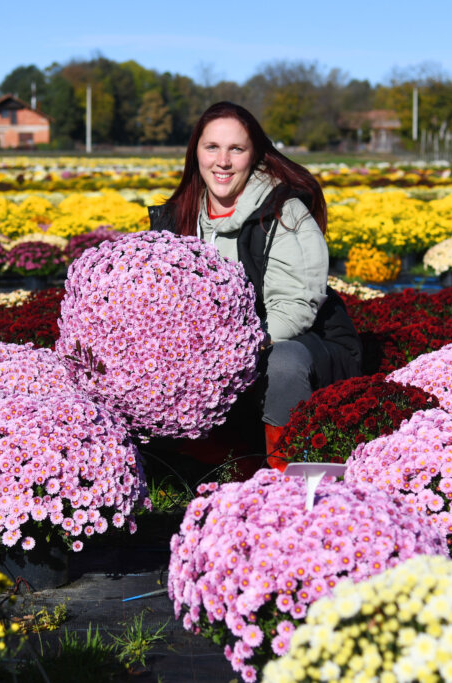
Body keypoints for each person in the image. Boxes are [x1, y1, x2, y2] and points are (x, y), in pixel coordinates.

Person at [149, 101, 362, 465]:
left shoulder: (283, 211)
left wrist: (227, 351)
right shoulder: (177, 216)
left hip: (295, 341)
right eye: (212, 147)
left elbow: (294, 309)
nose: (223, 161)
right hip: (214, 349)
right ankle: (207, 465)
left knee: (285, 361)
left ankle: (287, 470)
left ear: (254, 155)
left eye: (237, 149)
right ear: (195, 152)